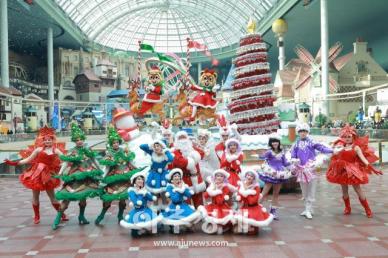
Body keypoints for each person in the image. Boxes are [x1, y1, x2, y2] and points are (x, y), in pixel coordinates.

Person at [4, 126, 68, 224]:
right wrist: (14, 163)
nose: (47, 141)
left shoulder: (56, 150)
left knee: (52, 197)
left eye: (49, 140)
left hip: (48, 176)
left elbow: (65, 159)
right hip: (37, 174)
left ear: (53, 140)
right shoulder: (38, 149)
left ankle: (61, 214)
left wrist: (73, 160)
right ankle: (37, 216)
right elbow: (28, 159)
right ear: (43, 141)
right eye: (45, 140)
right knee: (35, 196)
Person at [51, 123, 102, 230]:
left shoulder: (88, 150)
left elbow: (93, 160)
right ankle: (58, 218)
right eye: (77, 140)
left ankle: (81, 216)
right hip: (74, 177)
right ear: (75, 141)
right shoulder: (72, 151)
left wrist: (100, 169)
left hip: (87, 176)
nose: (79, 141)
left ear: (83, 139)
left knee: (83, 197)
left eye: (81, 139)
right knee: (67, 198)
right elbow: (65, 162)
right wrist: (61, 173)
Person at [326, 124, 382, 218]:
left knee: (358, 189)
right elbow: (333, 155)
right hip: (342, 171)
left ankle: (367, 209)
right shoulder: (340, 146)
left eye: (349, 137)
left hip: (353, 171)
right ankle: (347, 208)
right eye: (345, 137)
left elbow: (363, 159)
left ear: (353, 137)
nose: (347, 138)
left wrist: (372, 168)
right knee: (344, 190)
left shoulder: (356, 147)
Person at [95, 127, 144, 225]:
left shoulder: (124, 151)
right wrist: (102, 179)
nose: (116, 144)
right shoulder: (109, 154)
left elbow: (131, 162)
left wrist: (138, 170)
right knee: (108, 201)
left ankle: (120, 216)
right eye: (114, 143)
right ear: (111, 144)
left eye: (117, 142)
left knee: (123, 200)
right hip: (113, 180)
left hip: (125, 178)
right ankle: (101, 215)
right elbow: (107, 168)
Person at [290, 123, 333, 219]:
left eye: (304, 131)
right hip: (301, 170)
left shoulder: (311, 142)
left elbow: (321, 148)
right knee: (304, 190)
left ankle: (308, 209)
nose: (303, 133)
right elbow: (293, 155)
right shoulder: (295, 144)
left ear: (307, 132)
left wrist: (332, 150)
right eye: (301, 131)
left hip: (311, 169)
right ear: (298, 132)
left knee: (311, 189)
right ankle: (307, 208)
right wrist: (294, 160)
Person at [258, 134, 292, 220]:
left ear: (279, 142)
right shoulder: (269, 152)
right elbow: (263, 157)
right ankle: (256, 209)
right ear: (271, 143)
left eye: (276, 141)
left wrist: (293, 164)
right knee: (264, 192)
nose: (275, 143)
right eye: (273, 141)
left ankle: (273, 213)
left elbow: (285, 163)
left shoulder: (282, 152)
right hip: (271, 173)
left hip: (280, 174)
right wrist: (260, 155)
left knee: (276, 194)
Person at [169, 131, 205, 208]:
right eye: (180, 138)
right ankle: (189, 218)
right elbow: (181, 162)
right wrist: (193, 159)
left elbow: (202, 153)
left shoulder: (192, 148)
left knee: (199, 202)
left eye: (184, 138)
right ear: (176, 140)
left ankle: (201, 216)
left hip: (197, 179)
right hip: (184, 180)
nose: (183, 141)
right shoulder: (174, 151)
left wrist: (194, 154)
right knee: (186, 202)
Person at [120, 170, 161, 237]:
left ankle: (148, 229)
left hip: (146, 209)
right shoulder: (131, 191)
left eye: (142, 179)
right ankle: (138, 230)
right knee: (135, 233)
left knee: (154, 227)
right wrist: (140, 194)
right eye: (139, 179)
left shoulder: (144, 190)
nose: (141, 181)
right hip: (137, 211)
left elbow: (151, 199)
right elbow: (136, 202)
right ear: (134, 181)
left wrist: (146, 193)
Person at [161, 168, 201, 234]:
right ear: (172, 179)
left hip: (183, 205)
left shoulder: (183, 186)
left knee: (191, 216)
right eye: (175, 176)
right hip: (173, 206)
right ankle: (174, 227)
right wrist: (179, 190)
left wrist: (183, 188)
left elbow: (188, 195)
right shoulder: (170, 187)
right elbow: (175, 199)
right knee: (174, 222)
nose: (177, 178)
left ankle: (188, 226)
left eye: (178, 176)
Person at [235, 170, 273, 235]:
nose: (249, 177)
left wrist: (246, 193)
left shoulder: (256, 188)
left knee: (252, 231)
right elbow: (239, 198)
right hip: (243, 207)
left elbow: (252, 201)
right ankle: (243, 226)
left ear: (254, 178)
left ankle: (251, 227)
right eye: (248, 175)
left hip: (253, 207)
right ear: (245, 176)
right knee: (237, 229)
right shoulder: (241, 185)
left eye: (251, 176)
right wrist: (241, 196)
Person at [140, 139, 174, 211]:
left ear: (162, 146)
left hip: (163, 175)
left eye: (158, 146)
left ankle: (164, 208)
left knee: (163, 193)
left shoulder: (165, 154)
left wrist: (166, 151)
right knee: (154, 192)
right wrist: (150, 145)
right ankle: (155, 208)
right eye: (154, 146)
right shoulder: (152, 152)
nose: (156, 148)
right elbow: (141, 146)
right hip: (154, 175)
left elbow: (171, 159)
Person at [198, 169, 235, 234]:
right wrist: (211, 190)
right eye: (217, 176)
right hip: (212, 206)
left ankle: (222, 226)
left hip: (221, 207)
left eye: (221, 176)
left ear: (224, 178)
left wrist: (217, 190)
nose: (219, 177)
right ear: (215, 177)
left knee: (221, 222)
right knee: (211, 218)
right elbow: (206, 195)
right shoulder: (212, 185)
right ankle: (213, 226)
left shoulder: (225, 187)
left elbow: (220, 201)